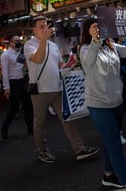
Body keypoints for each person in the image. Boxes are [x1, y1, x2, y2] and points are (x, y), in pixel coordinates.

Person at [79, 18, 126, 190]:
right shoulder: (85, 49)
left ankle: (108, 174)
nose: (98, 30)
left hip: (117, 103)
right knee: (115, 143)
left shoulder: (112, 45)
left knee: (110, 141)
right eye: (94, 27)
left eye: (100, 26)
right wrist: (94, 41)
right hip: (98, 105)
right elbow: (88, 64)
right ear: (87, 31)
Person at [24, 16, 99, 164]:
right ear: (33, 30)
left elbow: (59, 65)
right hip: (40, 90)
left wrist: (70, 64)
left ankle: (79, 148)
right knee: (40, 123)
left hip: (57, 87)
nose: (44, 29)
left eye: (45, 25)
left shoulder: (52, 45)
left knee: (67, 119)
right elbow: (38, 59)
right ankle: (42, 151)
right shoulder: (29, 45)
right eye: (40, 26)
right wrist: (44, 40)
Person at [0, 35, 33, 139]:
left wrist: (26, 67)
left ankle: (30, 128)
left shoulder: (22, 53)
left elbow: (24, 68)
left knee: (28, 105)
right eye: (16, 41)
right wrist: (6, 88)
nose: (18, 42)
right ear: (10, 42)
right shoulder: (5, 55)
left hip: (23, 80)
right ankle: (5, 127)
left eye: (19, 40)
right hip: (13, 82)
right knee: (14, 107)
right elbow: (4, 72)